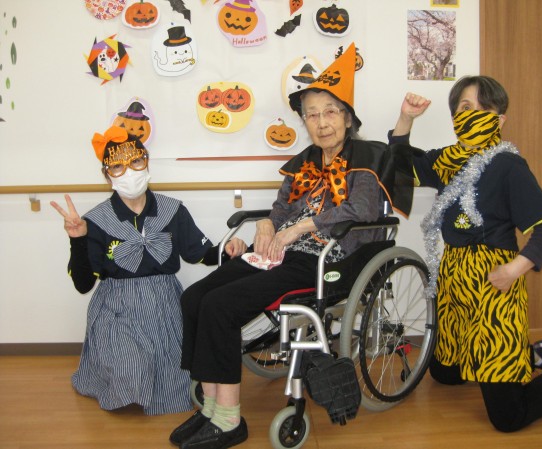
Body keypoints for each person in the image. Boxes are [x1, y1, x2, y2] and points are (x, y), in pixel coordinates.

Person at [170, 43, 407, 449]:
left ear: (347, 117)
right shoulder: (305, 163)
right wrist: (267, 223)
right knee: (194, 297)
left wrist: (301, 228)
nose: (321, 122)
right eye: (312, 114)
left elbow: (363, 209)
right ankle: (210, 407)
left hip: (328, 261)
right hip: (279, 255)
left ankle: (229, 420)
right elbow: (280, 209)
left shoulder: (367, 159)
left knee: (221, 306)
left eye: (330, 111)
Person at [388, 75, 542, 432]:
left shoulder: (508, 166)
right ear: (455, 117)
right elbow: (399, 167)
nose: (472, 114)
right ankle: (535, 354)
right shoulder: (447, 161)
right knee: (444, 373)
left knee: (508, 416)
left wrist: (513, 270)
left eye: (482, 109)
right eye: (464, 107)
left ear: (499, 120)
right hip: (454, 281)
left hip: (494, 283)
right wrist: (406, 117)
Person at [50, 126, 246, 415]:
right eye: (117, 166)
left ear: (147, 162)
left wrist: (229, 249)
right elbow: (82, 284)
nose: (129, 171)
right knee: (130, 370)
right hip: (117, 308)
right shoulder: (95, 220)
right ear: (107, 175)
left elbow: (200, 254)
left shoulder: (172, 210)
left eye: (136, 161)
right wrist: (78, 239)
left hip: (165, 304)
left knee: (180, 375)